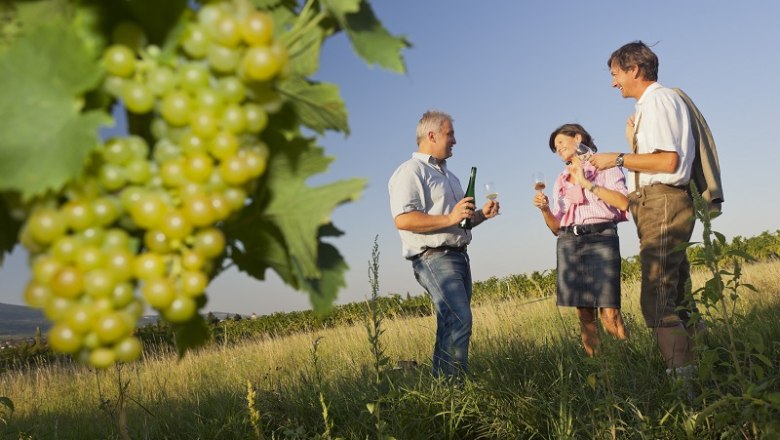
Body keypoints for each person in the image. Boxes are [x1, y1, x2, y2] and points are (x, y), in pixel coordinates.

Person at [590, 41, 698, 374]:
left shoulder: (657, 101)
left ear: (634, 69)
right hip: (660, 202)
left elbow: (667, 161)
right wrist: (633, 143)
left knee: (658, 299)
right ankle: (705, 374)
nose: (613, 83)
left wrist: (617, 158)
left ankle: (684, 387)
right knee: (679, 297)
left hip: (662, 202)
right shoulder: (654, 104)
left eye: (615, 74)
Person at [388, 110, 500, 379]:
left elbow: (460, 223)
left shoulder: (451, 177)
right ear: (432, 135)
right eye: (450, 134)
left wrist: (481, 215)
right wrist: (451, 217)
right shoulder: (411, 171)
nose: (455, 141)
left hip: (459, 256)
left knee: (451, 322)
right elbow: (404, 219)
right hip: (433, 257)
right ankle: (456, 388)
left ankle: (444, 388)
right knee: (460, 318)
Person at [533, 123, 629, 356]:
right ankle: (597, 366)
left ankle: (627, 363)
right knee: (585, 314)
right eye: (555, 147)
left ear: (577, 138)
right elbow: (556, 228)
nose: (558, 148)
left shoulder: (604, 164)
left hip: (601, 237)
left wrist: (587, 184)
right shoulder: (561, 179)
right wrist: (545, 210)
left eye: (560, 142)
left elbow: (623, 202)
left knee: (610, 313)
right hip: (569, 242)